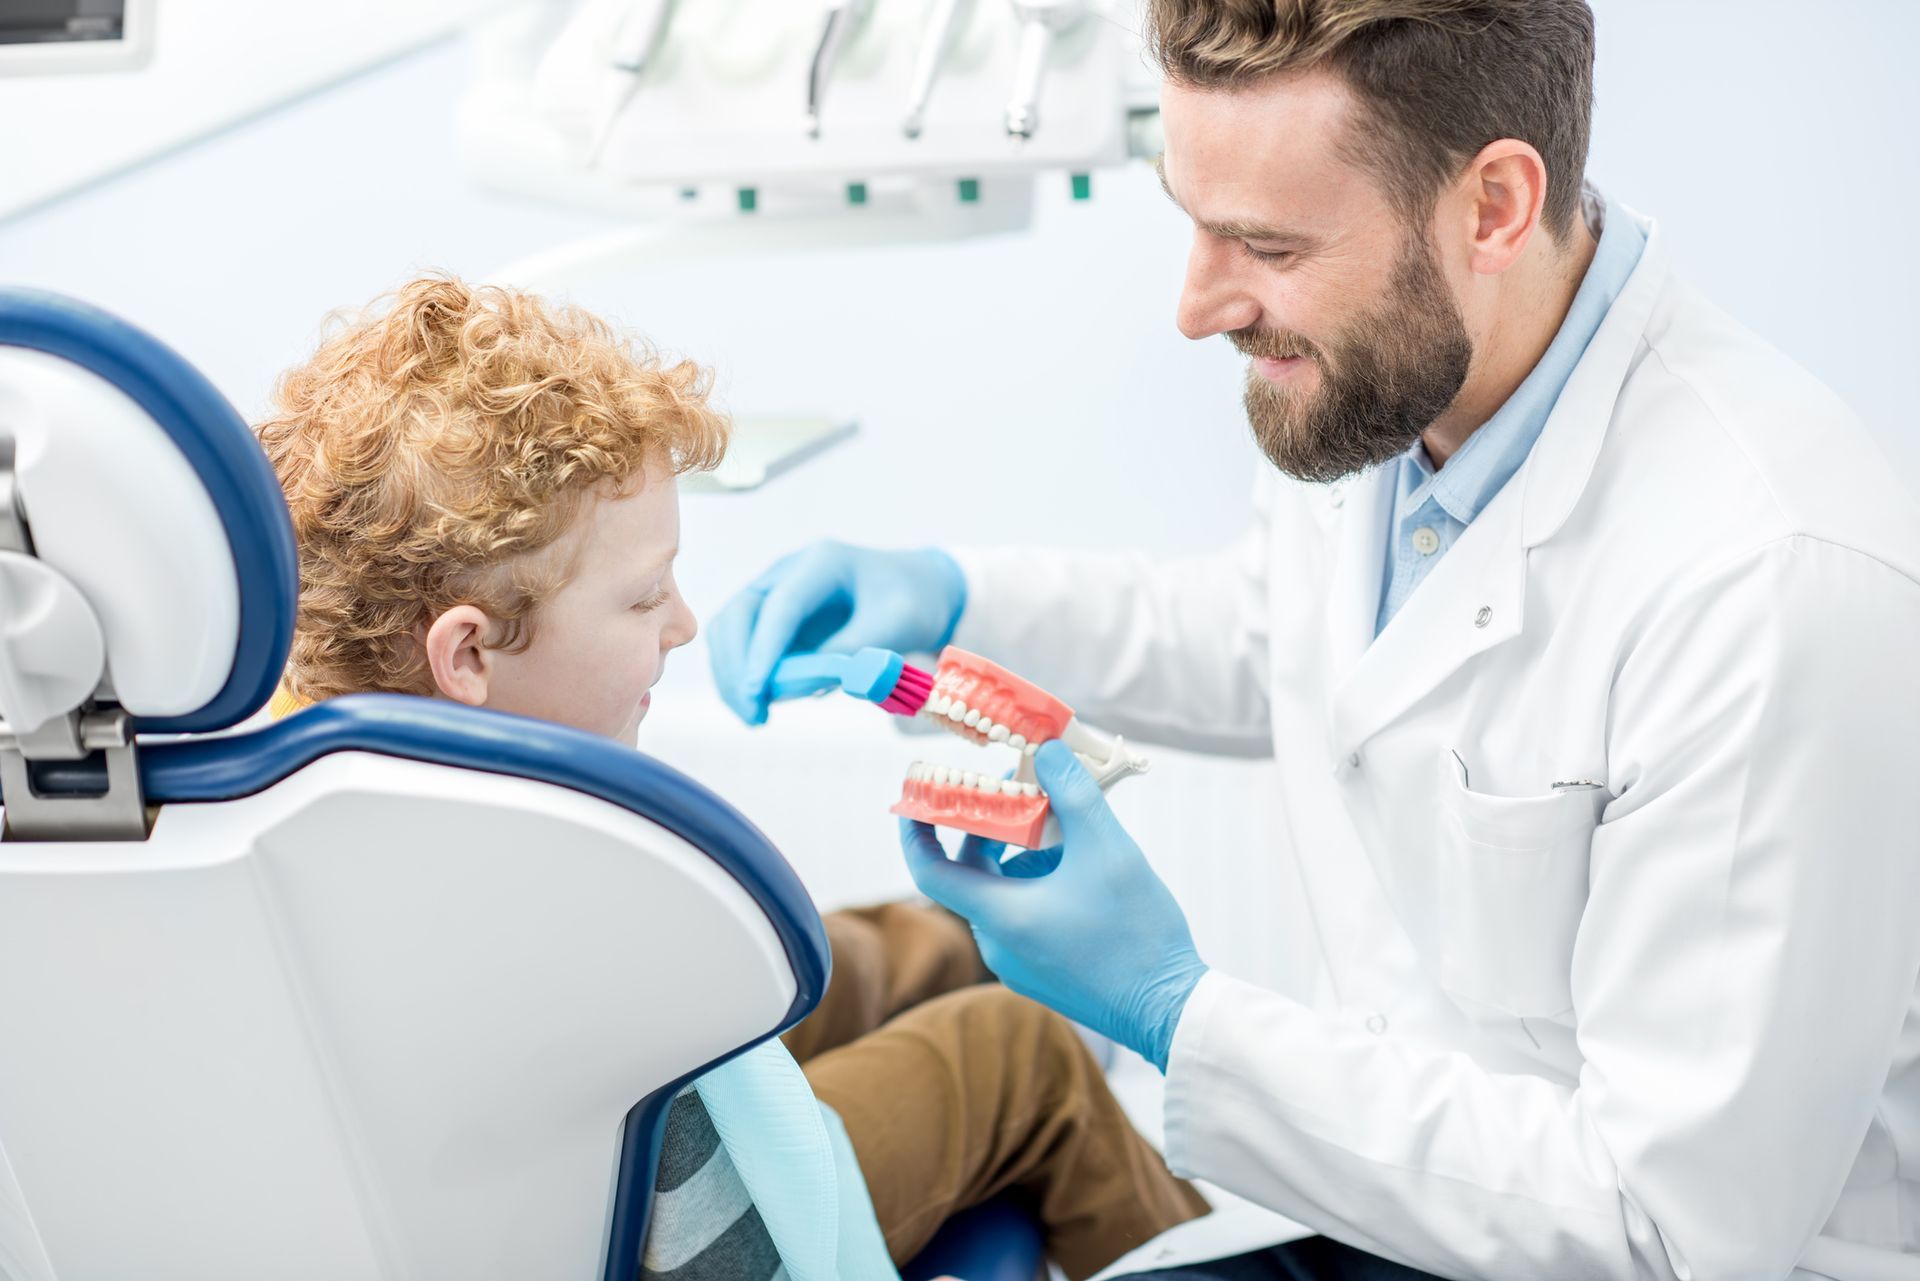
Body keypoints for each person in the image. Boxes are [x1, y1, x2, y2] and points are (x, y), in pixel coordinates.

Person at [707, 2, 1920, 1278]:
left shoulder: (1772, 582)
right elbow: (1277, 641)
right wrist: (957, 598)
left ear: (1494, 208)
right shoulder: (1399, 385)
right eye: (1191, 218)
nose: (1197, 306)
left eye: (1264, 243)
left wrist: (1180, 1012)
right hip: (1418, 1207)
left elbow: (1672, 1231)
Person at [256, 275, 1208, 1280]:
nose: (683, 626)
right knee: (1021, 1051)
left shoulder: (310, 776)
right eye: (643, 600)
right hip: (665, 1234)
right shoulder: (566, 898)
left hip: (604, 1096)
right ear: (469, 655)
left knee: (926, 943)